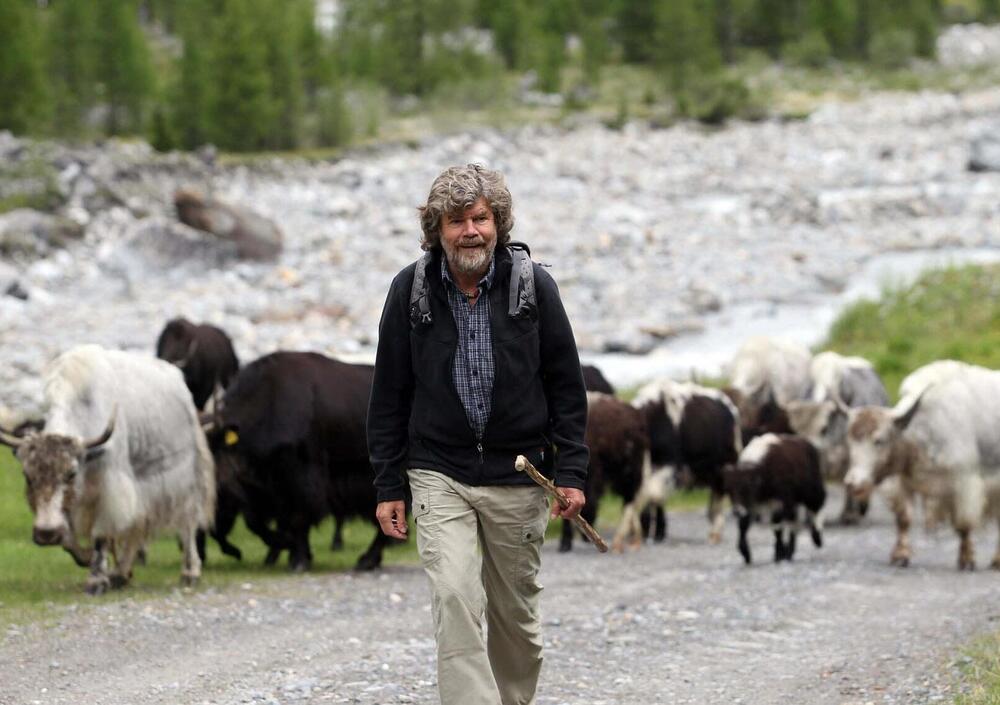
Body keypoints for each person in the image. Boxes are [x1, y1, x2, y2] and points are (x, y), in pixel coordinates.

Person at [367, 163, 589, 705]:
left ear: (499, 222)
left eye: (481, 218)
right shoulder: (410, 291)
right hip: (439, 472)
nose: (471, 231)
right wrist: (388, 485)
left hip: (520, 477)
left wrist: (573, 472)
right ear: (437, 230)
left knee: (516, 619)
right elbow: (389, 394)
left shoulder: (533, 287)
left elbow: (566, 385)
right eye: (457, 220)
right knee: (455, 597)